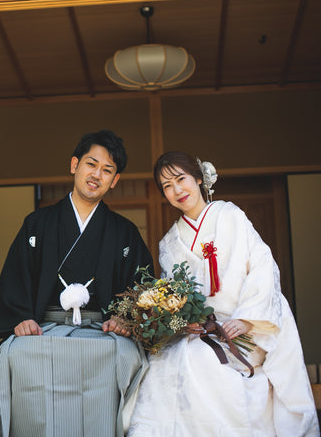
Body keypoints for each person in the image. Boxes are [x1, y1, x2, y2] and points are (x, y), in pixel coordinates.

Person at [0, 130, 154, 437]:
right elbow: (16, 276)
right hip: (46, 327)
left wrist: (125, 319)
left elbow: (142, 286)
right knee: (15, 354)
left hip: (101, 331)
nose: (96, 175)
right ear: (74, 165)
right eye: (90, 164)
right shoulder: (38, 223)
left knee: (127, 356)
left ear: (114, 180)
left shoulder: (124, 232)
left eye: (107, 170)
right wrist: (21, 319)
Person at [128, 151, 320, 436]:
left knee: (201, 363)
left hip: (245, 329)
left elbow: (262, 268)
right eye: (167, 186)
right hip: (198, 333)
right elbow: (172, 300)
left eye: (181, 179)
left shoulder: (230, 215)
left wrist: (246, 320)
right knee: (158, 367)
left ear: (198, 179)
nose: (177, 190)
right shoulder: (169, 242)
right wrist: (183, 324)